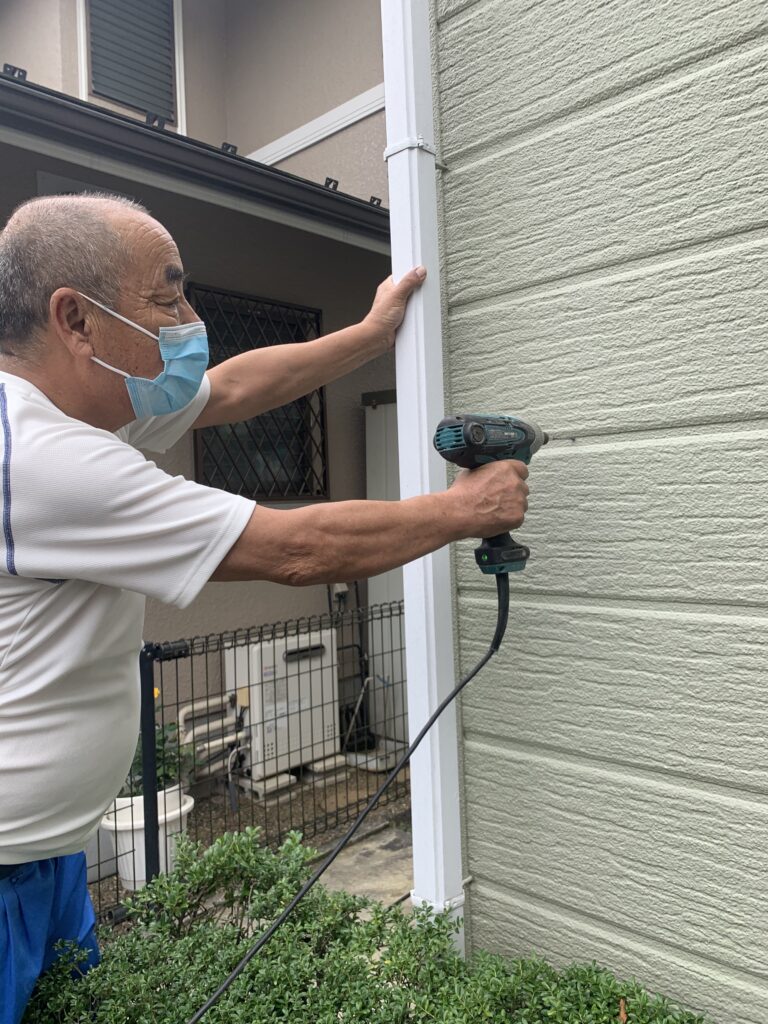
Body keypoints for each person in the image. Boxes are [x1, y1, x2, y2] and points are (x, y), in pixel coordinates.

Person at [0, 193, 529, 1022]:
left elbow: (230, 386)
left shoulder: (78, 411)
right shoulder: (37, 459)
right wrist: (468, 509)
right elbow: (293, 549)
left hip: (44, 855)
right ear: (77, 319)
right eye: (167, 296)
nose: (189, 319)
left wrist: (369, 336)